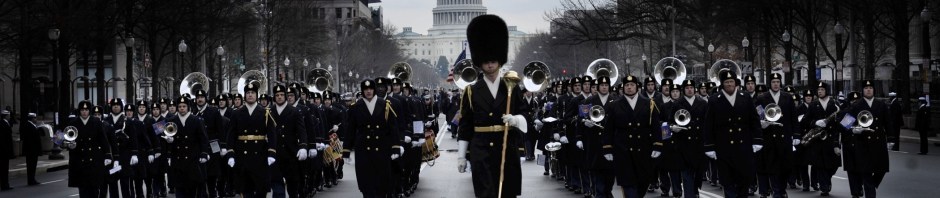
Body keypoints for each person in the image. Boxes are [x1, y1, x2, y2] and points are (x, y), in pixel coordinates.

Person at [456, 14, 531, 198]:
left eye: (493, 61)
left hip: (506, 149)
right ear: (480, 63)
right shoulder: (471, 91)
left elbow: (525, 114)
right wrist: (461, 155)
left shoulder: (511, 87)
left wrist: (515, 120)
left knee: (507, 193)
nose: (490, 65)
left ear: (499, 61)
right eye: (486, 61)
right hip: (481, 151)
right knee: (485, 193)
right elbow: (465, 126)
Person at [703, 70, 763, 198]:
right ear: (722, 84)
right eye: (726, 82)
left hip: (744, 146)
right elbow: (709, 125)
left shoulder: (745, 97)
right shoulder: (714, 100)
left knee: (744, 181)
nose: (729, 84)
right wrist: (709, 146)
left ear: (736, 83)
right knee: (728, 182)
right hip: (724, 147)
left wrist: (757, 140)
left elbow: (754, 120)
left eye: (731, 82)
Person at [601, 75, 659, 198]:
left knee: (642, 184)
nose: (629, 87)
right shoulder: (615, 105)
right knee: (629, 187)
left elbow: (655, 127)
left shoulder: (649, 103)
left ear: (637, 87)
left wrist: (657, 145)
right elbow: (609, 129)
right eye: (626, 85)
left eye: (632, 85)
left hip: (643, 150)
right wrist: (607, 148)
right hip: (623, 151)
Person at [341, 79, 402, 197]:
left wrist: (395, 148)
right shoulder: (356, 107)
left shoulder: (385, 105)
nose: (368, 91)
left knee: (382, 187)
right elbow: (350, 130)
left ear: (374, 90)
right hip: (364, 151)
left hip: (382, 150)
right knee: (366, 187)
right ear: (362, 91)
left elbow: (393, 128)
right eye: (365, 89)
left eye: (370, 89)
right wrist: (346, 151)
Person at [224, 82, 278, 198]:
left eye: (252, 93)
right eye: (248, 93)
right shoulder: (236, 113)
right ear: (244, 96)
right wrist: (230, 154)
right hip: (242, 156)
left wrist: (271, 153)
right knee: (245, 191)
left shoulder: (265, 113)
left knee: (260, 191)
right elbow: (231, 135)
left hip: (260, 156)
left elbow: (272, 134)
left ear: (256, 95)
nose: (250, 95)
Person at [842, 80, 892, 198]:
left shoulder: (881, 105)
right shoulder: (856, 105)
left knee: (882, 169)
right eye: (866, 88)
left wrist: (891, 139)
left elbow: (888, 123)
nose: (868, 89)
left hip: (879, 142)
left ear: (874, 90)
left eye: (870, 87)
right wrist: (853, 130)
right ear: (862, 90)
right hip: (862, 144)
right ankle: (870, 191)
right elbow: (845, 124)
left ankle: (871, 185)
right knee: (866, 172)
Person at [753, 73, 797, 198]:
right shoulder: (762, 98)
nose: (776, 84)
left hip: (785, 137)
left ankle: (782, 189)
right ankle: (776, 191)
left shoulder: (787, 97)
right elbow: (757, 116)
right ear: (770, 84)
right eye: (773, 82)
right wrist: (761, 123)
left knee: (785, 167)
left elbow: (793, 117)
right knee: (772, 167)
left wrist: (796, 135)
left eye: (778, 81)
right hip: (769, 138)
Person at [65, 101, 113, 198]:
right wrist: (70, 145)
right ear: (79, 111)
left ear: (89, 111)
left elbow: (103, 139)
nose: (84, 112)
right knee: (83, 190)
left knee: (94, 190)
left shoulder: (96, 122)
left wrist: (107, 154)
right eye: (82, 110)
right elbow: (68, 140)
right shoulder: (74, 123)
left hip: (94, 160)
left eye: (86, 110)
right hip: (80, 161)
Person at [165, 96, 211, 197]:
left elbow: (203, 139)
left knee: (191, 190)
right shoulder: (171, 120)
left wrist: (204, 153)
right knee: (179, 191)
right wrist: (168, 140)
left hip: (192, 160)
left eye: (184, 106)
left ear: (188, 107)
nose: (182, 108)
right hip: (177, 160)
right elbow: (157, 131)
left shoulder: (197, 120)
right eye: (180, 106)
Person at [801, 82, 842, 196]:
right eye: (818, 89)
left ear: (827, 91)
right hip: (818, 139)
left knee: (833, 164)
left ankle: (827, 180)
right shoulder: (813, 104)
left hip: (831, 138)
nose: (820, 91)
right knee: (819, 165)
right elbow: (805, 121)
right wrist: (815, 122)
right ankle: (824, 187)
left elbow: (840, 120)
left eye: (822, 89)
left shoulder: (835, 104)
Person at [579, 75, 616, 198]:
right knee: (597, 173)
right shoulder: (588, 101)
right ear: (598, 87)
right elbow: (580, 119)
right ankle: (600, 194)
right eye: (602, 85)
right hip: (594, 142)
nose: (604, 87)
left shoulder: (615, 101)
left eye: (606, 85)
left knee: (610, 174)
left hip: (611, 143)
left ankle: (607, 192)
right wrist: (585, 123)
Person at [269, 85, 309, 198]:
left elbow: (302, 131)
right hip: (275, 155)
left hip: (291, 154)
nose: (279, 97)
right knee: (277, 189)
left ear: (285, 96)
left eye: (282, 95)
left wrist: (303, 147)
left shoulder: (294, 111)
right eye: (277, 95)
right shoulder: (269, 111)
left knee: (293, 188)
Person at [21, 113, 42, 186]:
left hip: (32, 150)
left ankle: (32, 179)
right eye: (35, 118)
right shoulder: (29, 126)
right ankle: (31, 180)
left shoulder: (32, 126)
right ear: (32, 118)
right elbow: (30, 140)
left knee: (32, 166)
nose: (36, 119)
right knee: (31, 166)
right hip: (31, 150)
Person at [1, 110, 13, 191]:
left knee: (5, 168)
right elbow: (4, 139)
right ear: (5, 116)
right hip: (4, 151)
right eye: (9, 115)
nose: (10, 117)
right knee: (4, 168)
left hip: (4, 150)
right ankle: (4, 185)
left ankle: (6, 184)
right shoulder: (3, 124)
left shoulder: (5, 123)